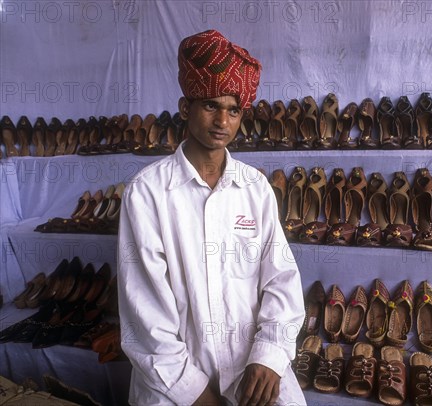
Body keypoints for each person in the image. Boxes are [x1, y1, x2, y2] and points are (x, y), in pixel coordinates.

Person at [117, 30, 306, 406]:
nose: (223, 121)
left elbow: (282, 280)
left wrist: (269, 356)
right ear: (185, 108)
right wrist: (198, 394)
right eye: (210, 106)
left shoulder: (254, 188)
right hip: (173, 376)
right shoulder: (148, 192)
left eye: (234, 110)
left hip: (248, 368)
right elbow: (146, 319)